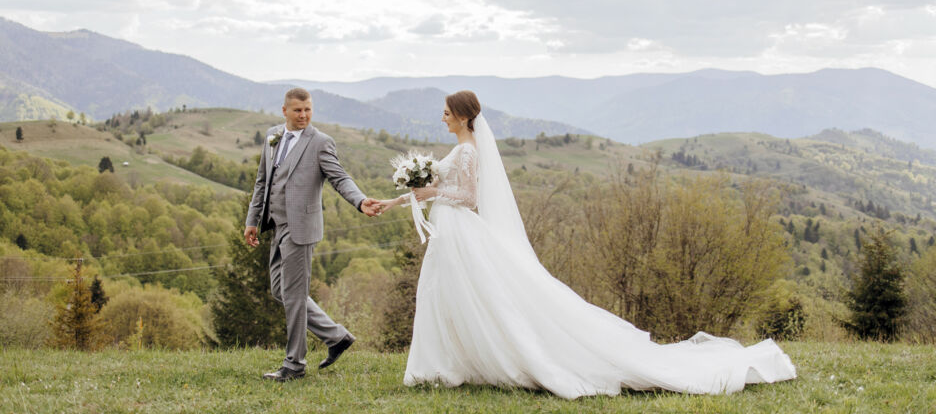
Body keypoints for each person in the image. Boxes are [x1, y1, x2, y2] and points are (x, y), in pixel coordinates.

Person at [374, 90, 796, 399]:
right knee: (446, 296)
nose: (443, 117)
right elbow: (435, 189)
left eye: (448, 113)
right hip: (450, 232)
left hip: (461, 232)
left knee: (470, 297)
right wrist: (395, 201)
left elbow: (469, 198)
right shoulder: (460, 148)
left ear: (465, 117)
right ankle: (445, 363)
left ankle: (450, 364)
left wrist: (431, 193)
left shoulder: (468, 152)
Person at [244, 88, 380, 382]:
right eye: (297, 110)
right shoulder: (272, 137)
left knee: (294, 296)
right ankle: (336, 336)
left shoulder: (320, 142)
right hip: (276, 225)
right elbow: (262, 182)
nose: (303, 115)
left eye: (308, 110)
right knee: (280, 291)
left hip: (301, 229)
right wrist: (252, 220)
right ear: (284, 111)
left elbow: (339, 177)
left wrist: (360, 201)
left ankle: (294, 364)